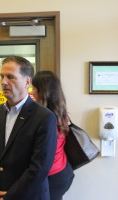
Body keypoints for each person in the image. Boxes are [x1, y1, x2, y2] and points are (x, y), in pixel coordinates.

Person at [0, 56, 57, 200]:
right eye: (2, 76)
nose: (3, 82)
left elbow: (39, 168)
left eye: (10, 77)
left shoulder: (44, 117)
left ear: (27, 82)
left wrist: (9, 197)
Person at [32, 71, 74, 200]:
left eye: (34, 88)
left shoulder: (44, 117)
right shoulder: (60, 111)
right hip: (62, 171)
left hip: (51, 176)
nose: (32, 92)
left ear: (42, 91)